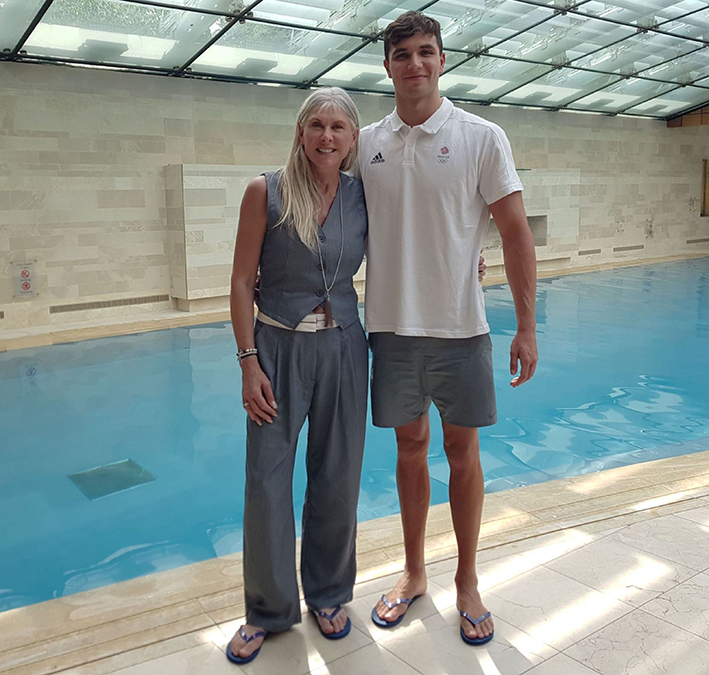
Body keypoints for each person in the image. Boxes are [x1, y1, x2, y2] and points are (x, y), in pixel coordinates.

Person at [359, 11, 539, 646]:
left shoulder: (481, 137)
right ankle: (413, 573)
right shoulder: (366, 143)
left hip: (462, 328)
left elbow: (515, 233)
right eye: (402, 54)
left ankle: (467, 580)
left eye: (426, 52)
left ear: (442, 60)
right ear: (387, 65)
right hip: (391, 328)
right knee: (409, 450)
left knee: (462, 453)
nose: (415, 64)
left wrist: (526, 327)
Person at [227, 87, 368, 664]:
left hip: (344, 348)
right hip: (277, 349)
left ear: (353, 138)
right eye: (317, 124)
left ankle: (330, 594)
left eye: (339, 126)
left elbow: (409, 249)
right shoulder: (266, 191)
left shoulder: (365, 196)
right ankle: (267, 609)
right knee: (266, 483)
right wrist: (247, 362)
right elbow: (240, 283)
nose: (327, 136)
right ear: (300, 131)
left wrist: (469, 259)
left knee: (337, 475)